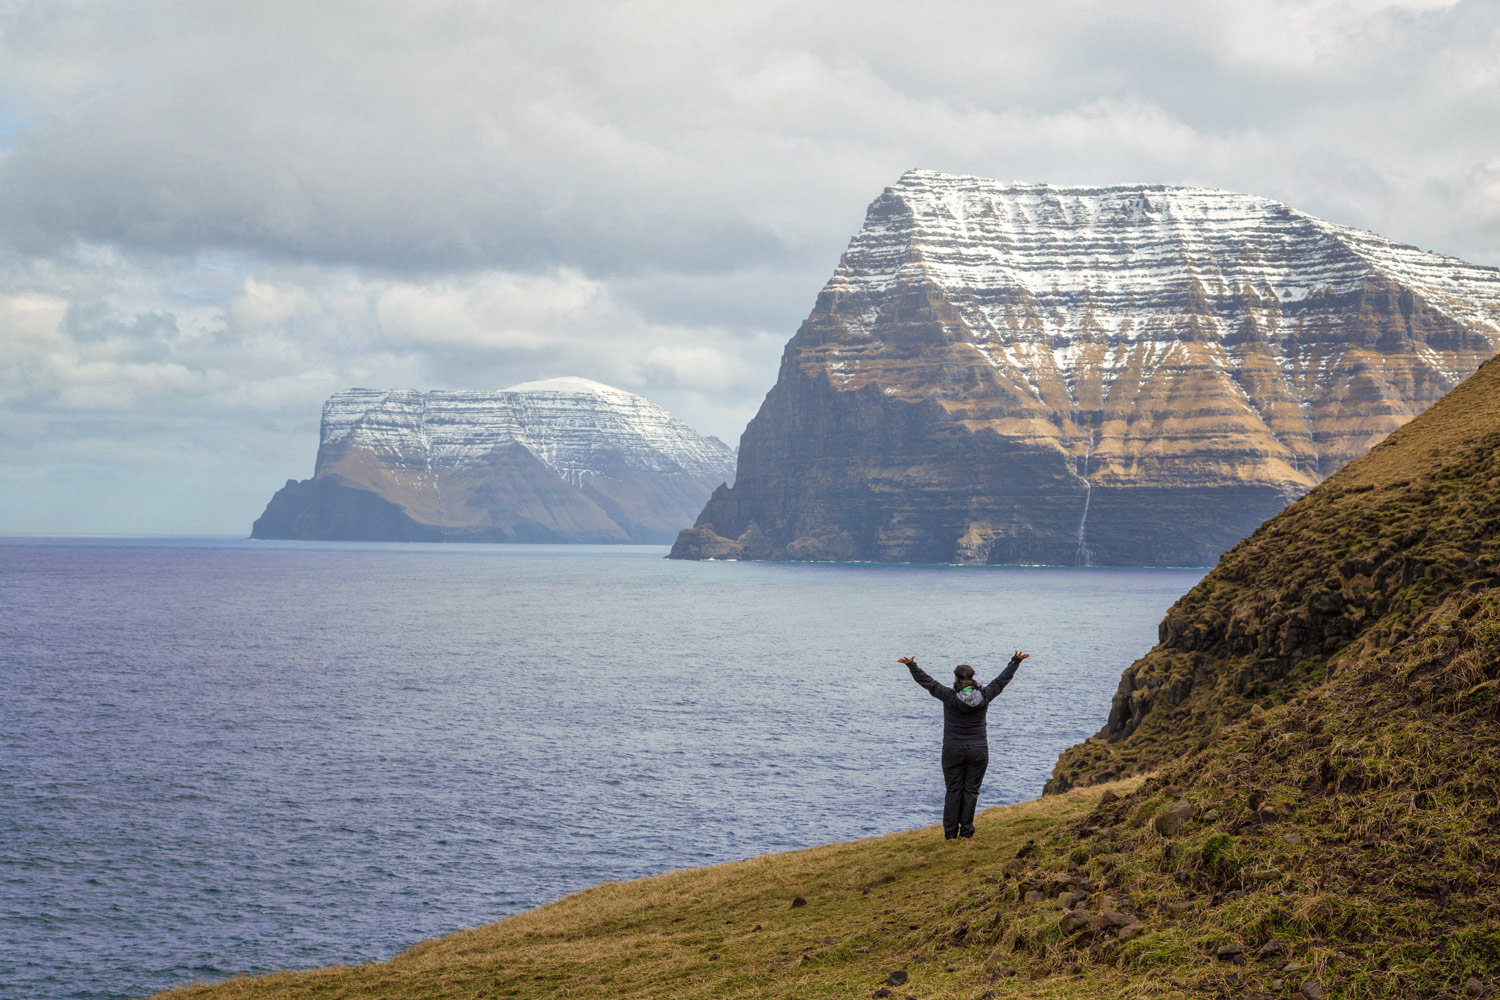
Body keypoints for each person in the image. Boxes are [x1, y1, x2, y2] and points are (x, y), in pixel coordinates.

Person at [898, 650, 1029, 839]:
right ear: (973, 678)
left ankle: (950, 834)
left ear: (956, 678)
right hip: (978, 749)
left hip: (952, 749)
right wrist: (1015, 661)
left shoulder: (949, 696)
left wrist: (911, 665)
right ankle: (966, 832)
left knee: (953, 790)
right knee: (971, 790)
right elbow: (1001, 681)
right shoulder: (984, 695)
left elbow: (928, 683)